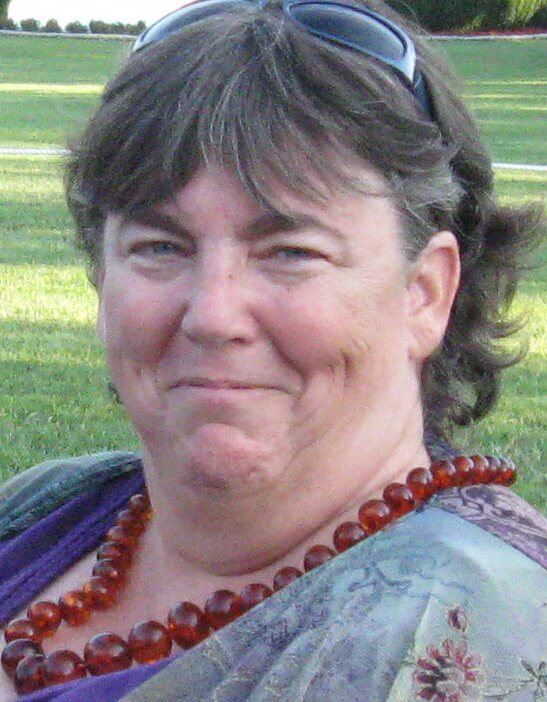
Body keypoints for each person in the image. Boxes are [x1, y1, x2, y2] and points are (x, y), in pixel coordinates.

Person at [0, 0, 545, 699]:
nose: (213, 314)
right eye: (160, 246)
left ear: (425, 294)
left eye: (290, 251)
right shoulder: (56, 507)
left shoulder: (460, 629)